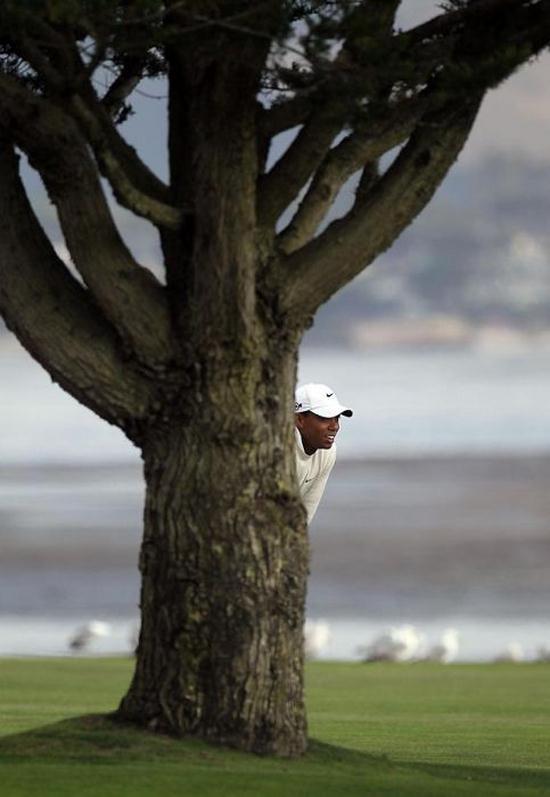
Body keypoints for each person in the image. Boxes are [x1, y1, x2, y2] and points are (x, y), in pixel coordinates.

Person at [294, 382, 353, 523]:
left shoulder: (327, 453)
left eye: (337, 418)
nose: (335, 426)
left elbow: (305, 514)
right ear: (299, 419)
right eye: (325, 418)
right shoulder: (281, 451)